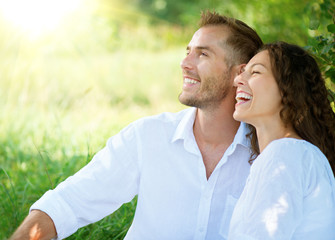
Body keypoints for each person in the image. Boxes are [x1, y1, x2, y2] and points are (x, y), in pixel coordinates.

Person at [9, 11, 263, 240]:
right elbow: (69, 202)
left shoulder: (269, 154)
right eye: (188, 51)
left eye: (203, 54)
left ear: (239, 74)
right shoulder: (148, 137)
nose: (185, 63)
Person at [229, 41, 335, 239]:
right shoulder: (292, 154)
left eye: (255, 72)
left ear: (289, 88)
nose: (237, 81)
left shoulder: (285, 155)